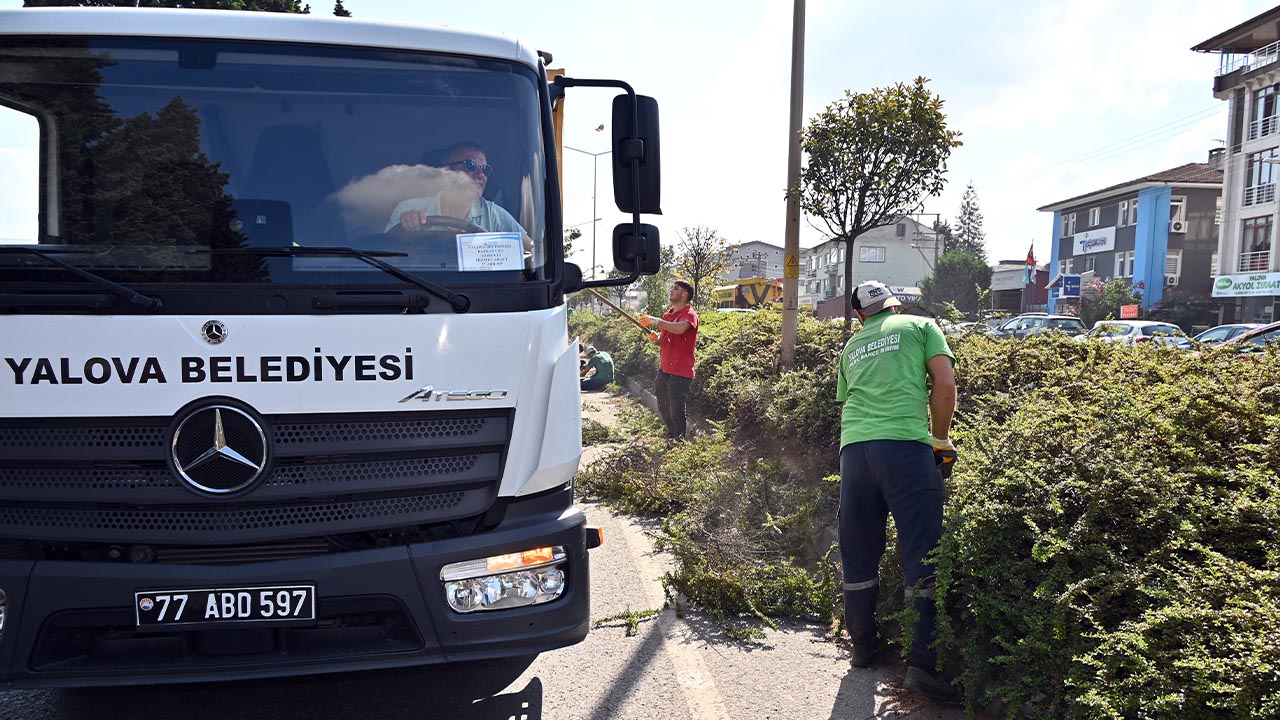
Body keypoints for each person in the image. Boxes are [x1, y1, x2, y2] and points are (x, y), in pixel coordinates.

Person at [835, 280, 957, 701]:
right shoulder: (921, 327)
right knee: (922, 551)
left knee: (859, 549)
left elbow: (850, 400)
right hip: (905, 447)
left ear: (859, 316)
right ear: (894, 303)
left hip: (854, 453)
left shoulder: (851, 349)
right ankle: (922, 665)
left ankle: (863, 649)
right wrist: (940, 439)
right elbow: (944, 387)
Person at [385, 142, 527, 240]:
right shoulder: (408, 209)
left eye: (485, 169)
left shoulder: (493, 214)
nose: (481, 175)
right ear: (446, 172)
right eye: (470, 165)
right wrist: (408, 234)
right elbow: (387, 258)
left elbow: (534, 250)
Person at [638, 281, 699, 439]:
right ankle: (672, 434)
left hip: (681, 372)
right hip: (664, 369)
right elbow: (665, 340)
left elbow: (680, 329)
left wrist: (656, 321)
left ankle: (678, 442)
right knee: (663, 406)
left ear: (684, 294)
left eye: (676, 289)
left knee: (677, 410)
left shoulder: (689, 314)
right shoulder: (669, 314)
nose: (671, 291)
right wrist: (656, 340)